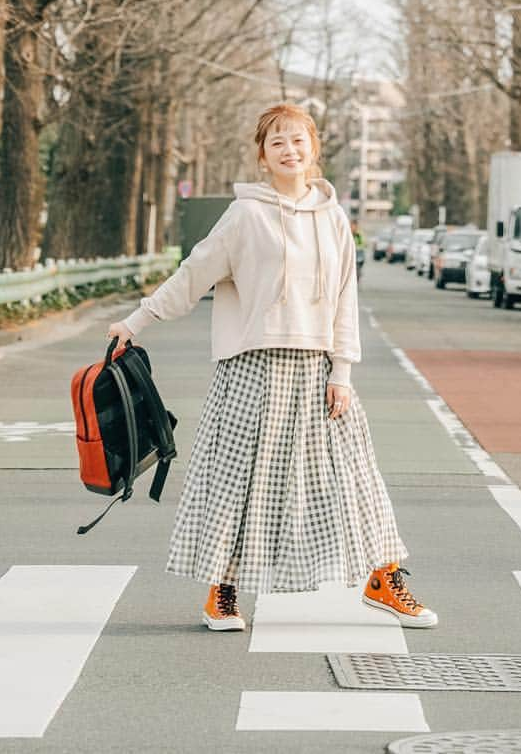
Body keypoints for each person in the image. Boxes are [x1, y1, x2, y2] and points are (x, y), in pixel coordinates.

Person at [107, 102, 437, 633]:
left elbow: (344, 299)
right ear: (263, 156)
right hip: (251, 368)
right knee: (237, 482)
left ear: (314, 148)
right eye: (277, 142)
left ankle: (384, 578)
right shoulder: (245, 215)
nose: (290, 150)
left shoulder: (332, 217)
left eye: (298, 139)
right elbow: (194, 275)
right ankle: (223, 590)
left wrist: (342, 371)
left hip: (317, 370)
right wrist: (137, 320)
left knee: (356, 479)